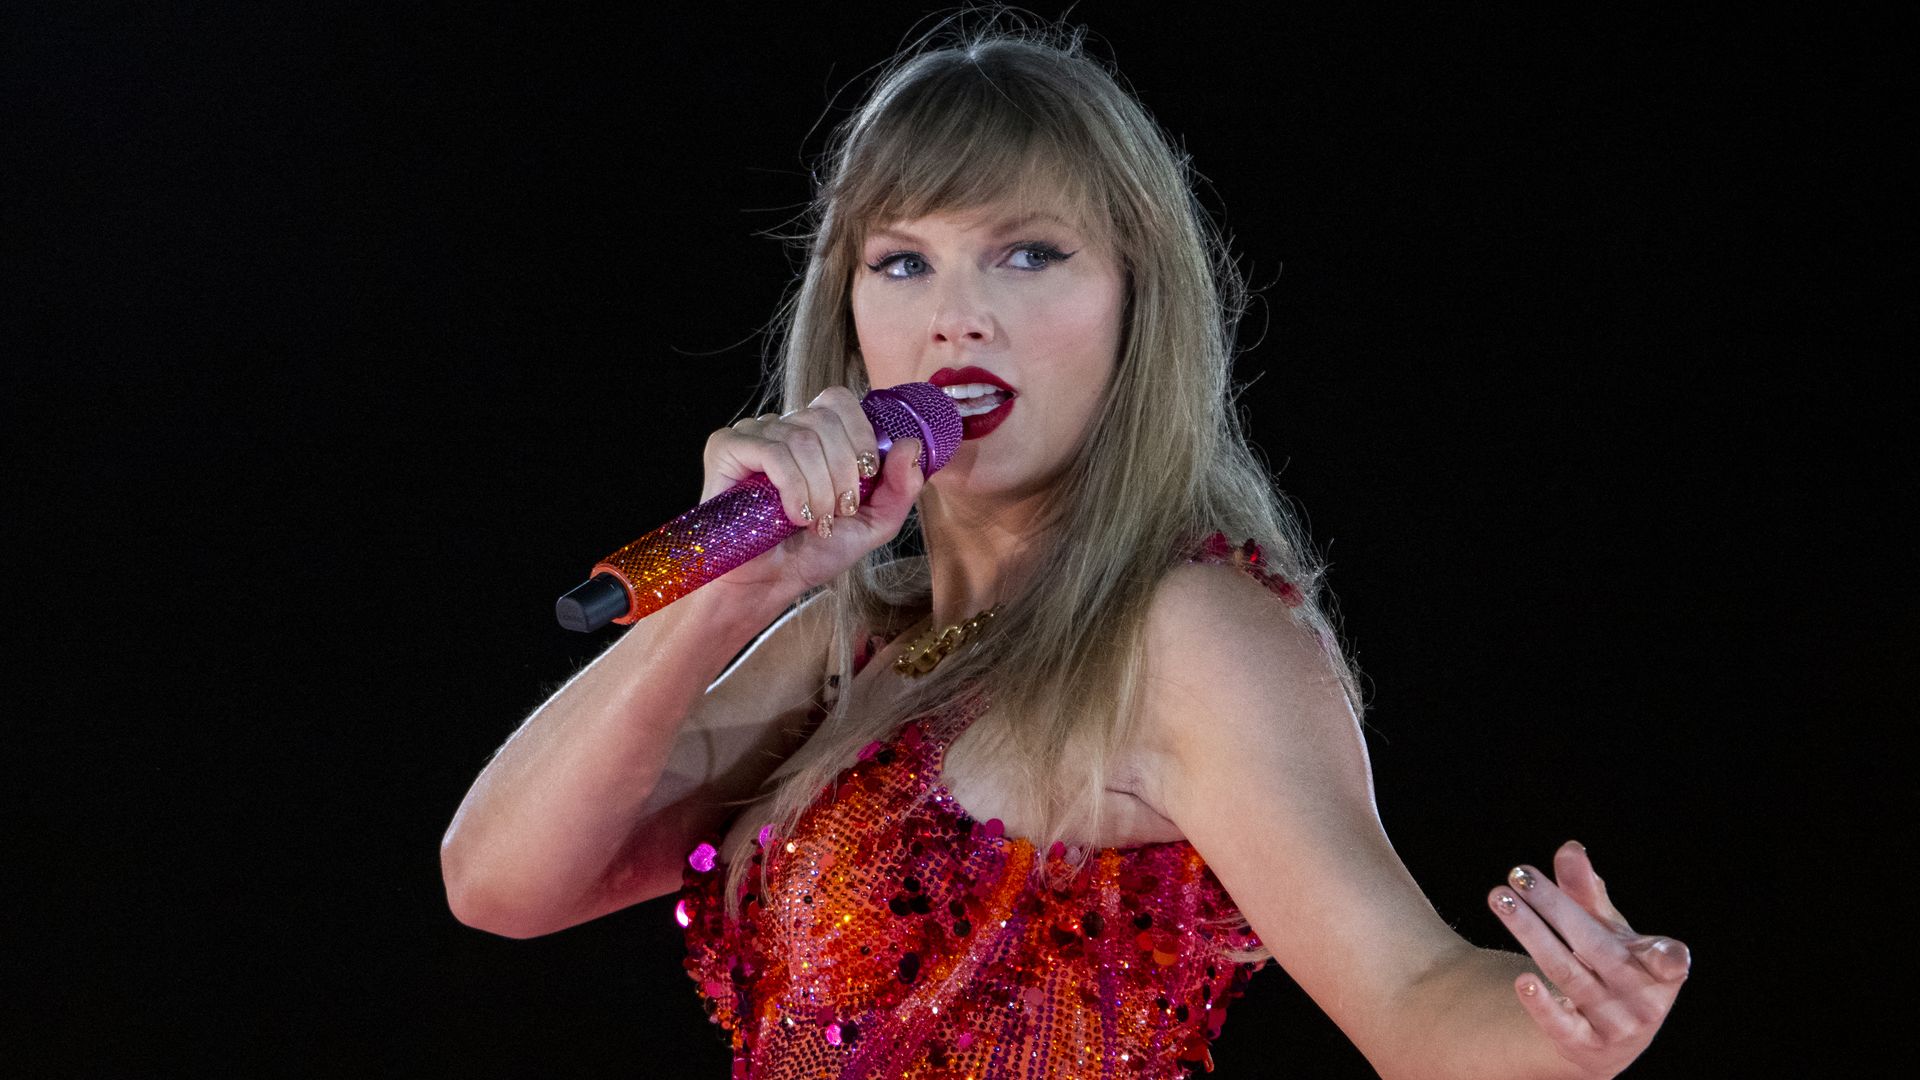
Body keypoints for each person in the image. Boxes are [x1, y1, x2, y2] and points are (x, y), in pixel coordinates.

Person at [440, 15, 1690, 1079]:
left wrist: (1572, 1030)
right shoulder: (855, 638)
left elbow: (1414, 996)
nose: (956, 316)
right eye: (904, 262)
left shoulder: (1182, 630)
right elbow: (498, 884)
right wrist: (730, 596)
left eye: (1028, 254)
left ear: (1134, 296)